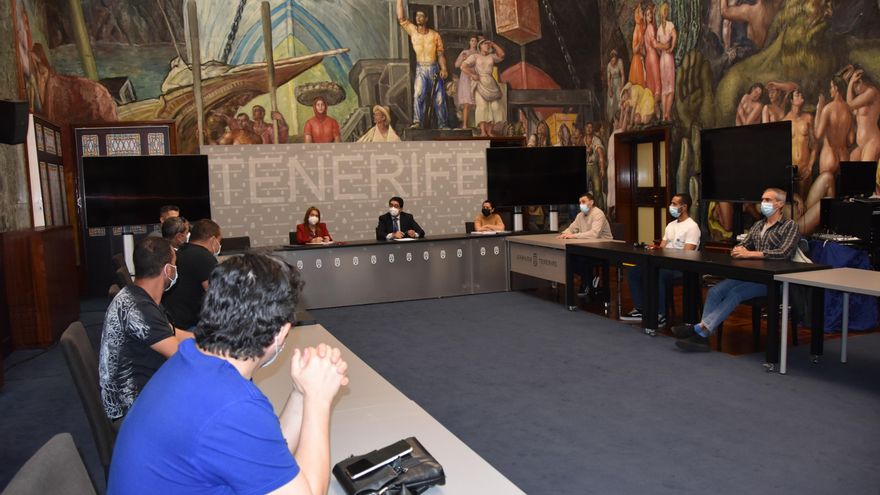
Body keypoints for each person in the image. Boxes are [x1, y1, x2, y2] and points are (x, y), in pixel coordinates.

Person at [107, 253, 349, 494]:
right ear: (282, 332)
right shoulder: (233, 406)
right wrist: (319, 401)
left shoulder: (191, 359)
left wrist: (301, 394)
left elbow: (264, 455)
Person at [672, 188, 800, 352]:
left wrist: (752, 254)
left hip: (773, 281)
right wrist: (738, 249)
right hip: (752, 275)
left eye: (768, 200)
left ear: (780, 204)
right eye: (763, 200)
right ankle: (703, 336)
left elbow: (784, 253)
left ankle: (698, 330)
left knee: (735, 294)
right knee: (715, 291)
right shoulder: (758, 225)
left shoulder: (790, 226)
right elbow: (744, 245)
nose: (763, 203)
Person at [98, 237, 186, 422]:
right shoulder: (139, 309)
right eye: (174, 265)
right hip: (133, 411)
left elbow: (172, 332)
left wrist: (207, 338)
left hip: (144, 393)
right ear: (168, 270)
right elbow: (182, 356)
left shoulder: (137, 295)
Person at [621, 194, 700, 327]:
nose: (671, 207)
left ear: (684, 207)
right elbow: (662, 247)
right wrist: (653, 249)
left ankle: (660, 314)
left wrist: (666, 254)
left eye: (674, 204)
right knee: (634, 272)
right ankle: (640, 309)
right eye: (671, 203)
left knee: (659, 274)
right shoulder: (670, 225)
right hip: (665, 262)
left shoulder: (692, 227)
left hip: (681, 266)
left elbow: (688, 253)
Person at [397, 0, 449, 129]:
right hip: (421, 68)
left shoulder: (435, 35)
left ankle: (443, 124)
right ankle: (417, 122)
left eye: (421, 16)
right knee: (418, 94)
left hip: (434, 68)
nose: (418, 18)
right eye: (417, 16)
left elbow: (440, 54)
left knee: (439, 98)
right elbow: (401, 18)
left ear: (426, 18)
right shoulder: (412, 31)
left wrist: (444, 68)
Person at [162, 219, 222, 330]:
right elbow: (217, 295)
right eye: (220, 240)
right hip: (188, 325)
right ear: (213, 240)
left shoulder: (183, 251)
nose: (219, 245)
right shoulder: (203, 257)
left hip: (172, 319)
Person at [557, 192, 613, 295]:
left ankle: (586, 283)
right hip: (587, 246)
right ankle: (589, 280)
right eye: (579, 202)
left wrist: (574, 236)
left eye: (583, 202)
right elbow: (571, 228)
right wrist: (564, 234)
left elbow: (594, 234)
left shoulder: (598, 214)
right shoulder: (580, 215)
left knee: (580, 259)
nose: (581, 205)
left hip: (603, 247)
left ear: (591, 202)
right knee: (570, 258)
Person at [462, 39, 506, 136]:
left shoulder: (492, 56)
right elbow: (463, 66)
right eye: (485, 44)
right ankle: (482, 131)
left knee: (494, 107)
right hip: (480, 83)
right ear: (480, 45)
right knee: (482, 107)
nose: (487, 46)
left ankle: (490, 131)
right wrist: (472, 75)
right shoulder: (475, 56)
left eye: (488, 44)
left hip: (491, 83)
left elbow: (502, 55)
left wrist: (494, 44)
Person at [846, 67, 880, 161]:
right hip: (861, 145)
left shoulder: (872, 92)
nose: (855, 90)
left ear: (860, 82)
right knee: (851, 160)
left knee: (864, 174)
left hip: (872, 142)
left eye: (855, 86)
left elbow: (850, 105)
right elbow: (851, 110)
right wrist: (850, 83)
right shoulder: (862, 98)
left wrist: (850, 83)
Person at [655, 2, 677, 122]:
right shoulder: (670, 25)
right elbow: (675, 36)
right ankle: (667, 113)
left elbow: (657, 46)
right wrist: (671, 48)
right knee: (671, 88)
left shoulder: (659, 29)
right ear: (666, 12)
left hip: (662, 59)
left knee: (664, 89)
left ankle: (664, 115)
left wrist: (661, 51)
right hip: (668, 58)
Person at [454, 35, 479, 129]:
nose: (474, 42)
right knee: (467, 103)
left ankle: (477, 125)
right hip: (466, 77)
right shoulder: (465, 52)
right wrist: (463, 59)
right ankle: (464, 125)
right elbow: (456, 65)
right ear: (469, 42)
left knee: (477, 102)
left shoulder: (479, 53)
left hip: (476, 77)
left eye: (475, 41)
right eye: (472, 40)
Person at [644, 3, 662, 104]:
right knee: (657, 84)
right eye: (647, 14)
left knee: (651, 85)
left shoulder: (646, 29)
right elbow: (655, 44)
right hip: (652, 56)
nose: (650, 16)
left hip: (648, 58)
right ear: (645, 17)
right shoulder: (650, 27)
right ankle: (655, 107)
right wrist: (665, 46)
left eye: (651, 14)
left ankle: (652, 109)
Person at [629, 4, 647, 87]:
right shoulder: (636, 29)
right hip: (637, 61)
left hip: (643, 58)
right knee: (639, 84)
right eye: (640, 11)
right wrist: (640, 43)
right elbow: (634, 50)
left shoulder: (642, 25)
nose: (642, 12)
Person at [606, 49, 625, 123]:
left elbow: (623, 75)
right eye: (612, 60)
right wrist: (610, 89)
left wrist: (622, 86)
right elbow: (608, 79)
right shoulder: (609, 65)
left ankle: (621, 118)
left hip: (619, 82)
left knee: (619, 100)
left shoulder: (620, 62)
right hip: (612, 84)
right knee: (611, 102)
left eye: (614, 59)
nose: (613, 61)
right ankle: (613, 120)